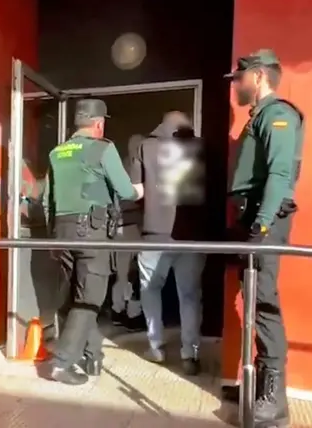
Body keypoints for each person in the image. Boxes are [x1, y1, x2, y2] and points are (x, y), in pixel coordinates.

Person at [225, 49, 303, 427]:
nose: (236, 86)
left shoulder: (279, 115)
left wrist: (263, 224)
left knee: (264, 301)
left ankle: (273, 400)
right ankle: (257, 384)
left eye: (239, 79)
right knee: (253, 299)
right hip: (250, 217)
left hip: (263, 219)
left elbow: (279, 173)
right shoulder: (259, 117)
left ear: (258, 76)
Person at [42, 98, 142, 385]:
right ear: (99, 124)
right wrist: (139, 190)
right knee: (89, 300)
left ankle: (93, 355)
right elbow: (124, 190)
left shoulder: (57, 152)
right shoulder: (103, 148)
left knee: (78, 297)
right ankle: (62, 363)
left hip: (62, 232)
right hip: (93, 233)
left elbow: (46, 200)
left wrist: (54, 238)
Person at [130, 111, 207, 376]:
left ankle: (156, 346)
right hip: (192, 237)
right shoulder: (201, 148)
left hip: (154, 233)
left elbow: (135, 190)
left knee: (150, 289)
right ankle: (190, 353)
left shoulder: (146, 147)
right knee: (190, 295)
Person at [109, 134, 146, 331]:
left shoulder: (119, 166)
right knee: (134, 273)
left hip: (119, 227)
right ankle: (132, 314)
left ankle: (117, 310)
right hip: (132, 226)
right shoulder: (135, 168)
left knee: (122, 273)